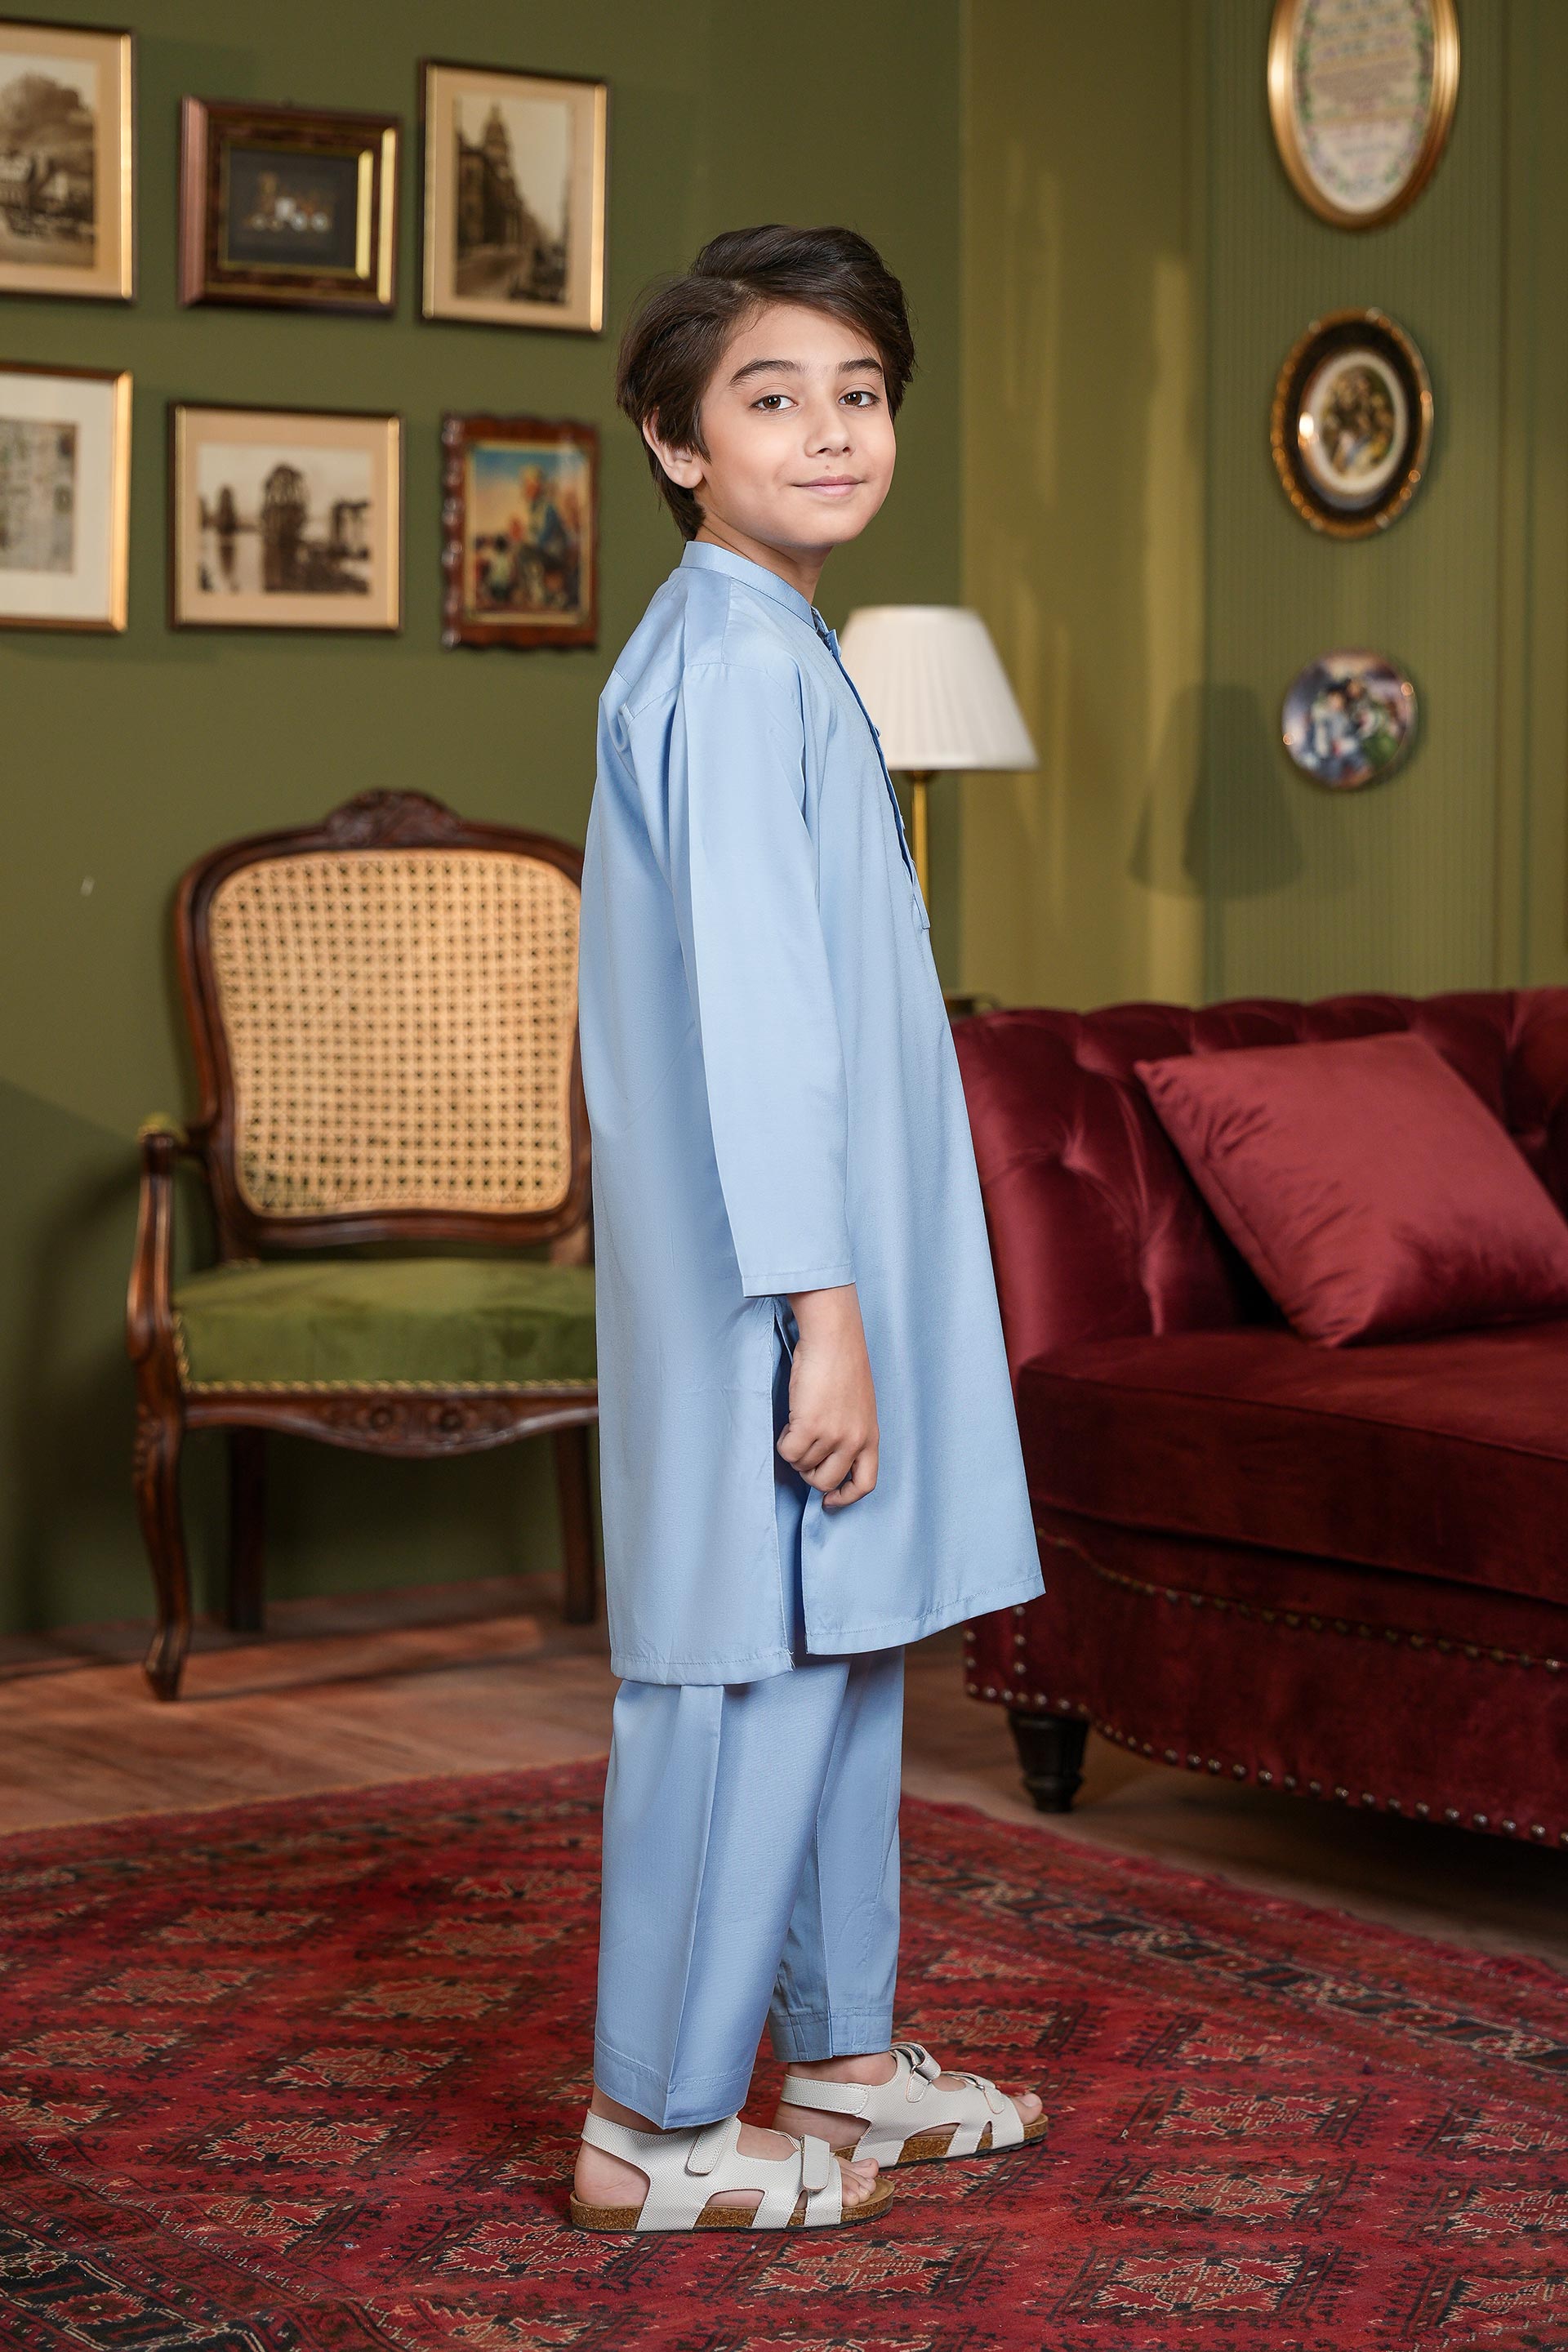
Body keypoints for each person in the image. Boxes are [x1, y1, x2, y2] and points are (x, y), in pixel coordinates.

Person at [572, 224, 1047, 2236]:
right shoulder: (727, 665)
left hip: (823, 1264)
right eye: (773, 397)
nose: (830, 430)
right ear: (679, 442)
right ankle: (657, 2122)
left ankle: (841, 2064)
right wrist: (823, 1316)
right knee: (743, 1668)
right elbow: (761, 1031)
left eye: (859, 393)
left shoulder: (783, 647)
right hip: (774, 1283)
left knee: (843, 1648)